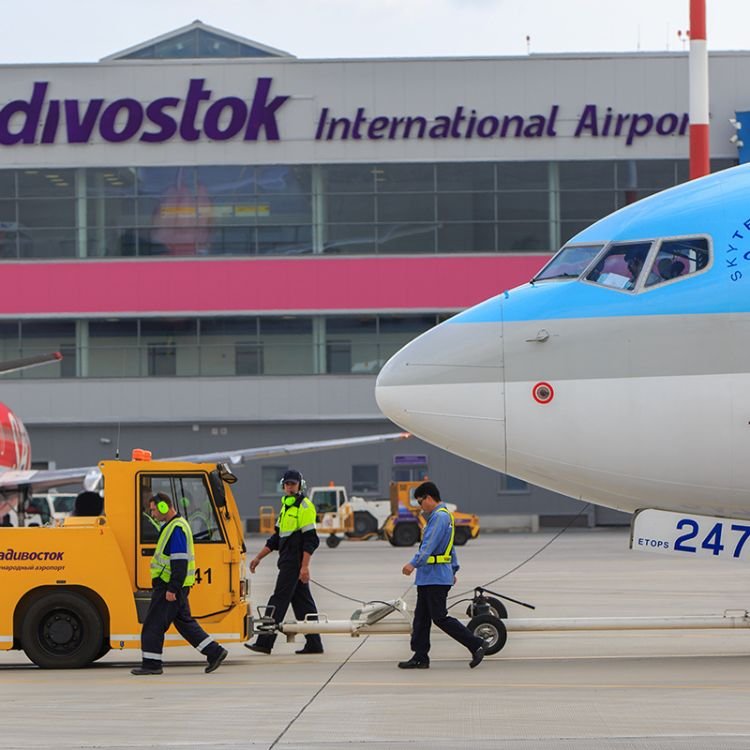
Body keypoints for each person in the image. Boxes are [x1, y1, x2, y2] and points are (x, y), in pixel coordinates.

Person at [131, 492, 228, 675]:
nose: (153, 515)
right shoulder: (173, 526)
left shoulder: (175, 528)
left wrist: (172, 588)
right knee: (184, 623)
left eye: (154, 510)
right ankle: (214, 652)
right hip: (173, 586)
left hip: (169, 587)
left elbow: (179, 561)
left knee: (153, 624)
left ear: (163, 507)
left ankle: (151, 664)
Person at [398, 481, 485, 670]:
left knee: (439, 617)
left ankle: (475, 643)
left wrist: (413, 564)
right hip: (430, 577)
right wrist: (453, 568)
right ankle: (420, 656)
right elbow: (449, 546)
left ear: (429, 498)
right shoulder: (444, 516)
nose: (420, 506)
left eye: (421, 502)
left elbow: (428, 546)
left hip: (434, 577)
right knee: (421, 618)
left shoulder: (438, 518)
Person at [244, 469, 324, 655]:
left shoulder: (304, 507)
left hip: (294, 563)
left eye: (293, 484)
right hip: (287, 561)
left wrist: (304, 567)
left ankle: (264, 642)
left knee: (277, 600)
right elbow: (276, 539)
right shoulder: (286, 508)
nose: (289, 487)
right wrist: (258, 557)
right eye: (287, 484)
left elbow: (311, 540)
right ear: (283, 485)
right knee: (304, 604)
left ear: (300, 485)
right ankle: (314, 643)